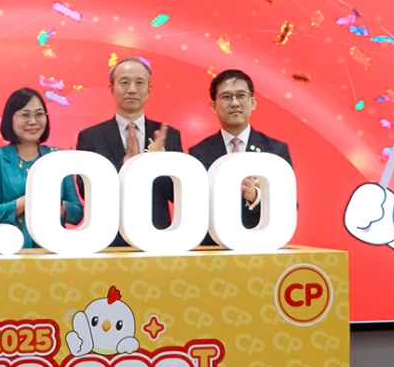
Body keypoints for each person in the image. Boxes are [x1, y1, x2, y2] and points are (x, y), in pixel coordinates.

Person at [76, 57, 182, 246]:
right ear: (112, 89)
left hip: (159, 238)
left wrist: (156, 167)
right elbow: (86, 192)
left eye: (139, 83)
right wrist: (126, 167)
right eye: (124, 82)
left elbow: (177, 194)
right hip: (109, 239)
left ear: (149, 90)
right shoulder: (90, 137)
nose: (132, 89)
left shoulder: (169, 135)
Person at [189, 69, 292, 246]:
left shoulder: (275, 151)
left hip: (263, 247)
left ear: (253, 103)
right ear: (213, 106)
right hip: (214, 251)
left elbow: (289, 206)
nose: (235, 103)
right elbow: (194, 209)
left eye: (241, 96)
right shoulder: (198, 153)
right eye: (226, 97)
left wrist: (256, 197)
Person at [0, 88, 83, 248]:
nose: (33, 121)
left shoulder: (58, 157)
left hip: (53, 250)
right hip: (11, 250)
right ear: (10, 118)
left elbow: (77, 213)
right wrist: (28, 200)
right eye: (25, 115)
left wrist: (55, 205)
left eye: (39, 114)